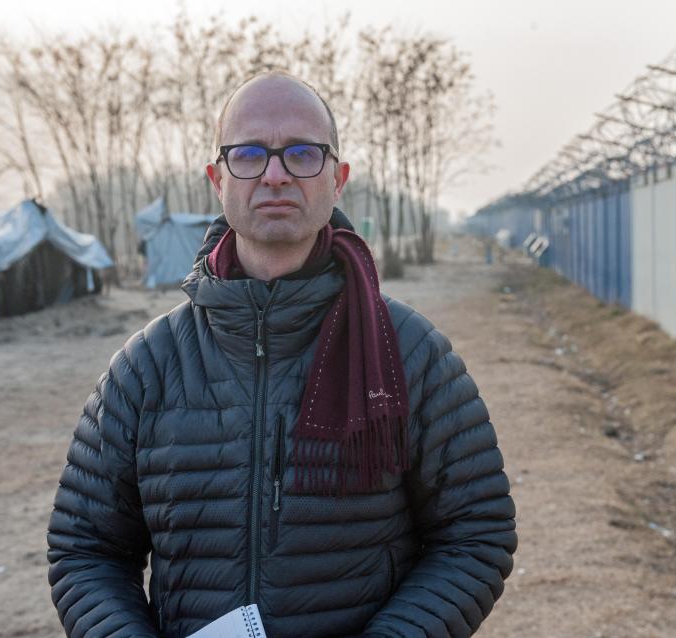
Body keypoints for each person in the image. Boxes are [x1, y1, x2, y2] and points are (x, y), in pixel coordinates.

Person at [47, 71, 517, 638]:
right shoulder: (145, 369)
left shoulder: (410, 355)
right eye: (247, 154)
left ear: (337, 179)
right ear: (216, 179)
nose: (274, 175)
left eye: (302, 153)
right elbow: (86, 550)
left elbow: (476, 533)